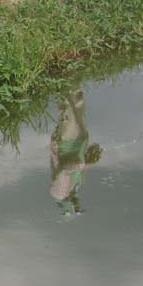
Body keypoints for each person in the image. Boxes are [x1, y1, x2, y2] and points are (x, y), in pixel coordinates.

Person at [49, 86, 103, 216]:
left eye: (76, 207)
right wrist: (88, 157)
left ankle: (61, 75)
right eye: (78, 207)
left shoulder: (59, 193)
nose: (78, 205)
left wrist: (85, 164)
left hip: (68, 142)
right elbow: (78, 167)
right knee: (77, 104)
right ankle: (74, 75)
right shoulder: (74, 191)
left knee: (68, 108)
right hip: (79, 142)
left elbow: (65, 170)